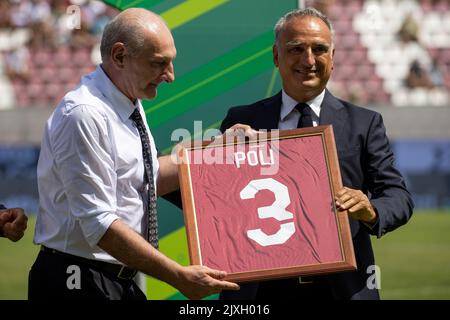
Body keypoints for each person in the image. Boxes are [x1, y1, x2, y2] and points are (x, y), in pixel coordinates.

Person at [28, 8, 240, 300]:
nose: (170, 76)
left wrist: (216, 149)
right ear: (119, 56)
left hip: (111, 280)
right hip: (78, 282)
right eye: (158, 63)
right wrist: (177, 275)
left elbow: (148, 180)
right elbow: (99, 224)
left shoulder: (126, 100)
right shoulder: (85, 114)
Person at [219, 8, 414, 300]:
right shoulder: (242, 121)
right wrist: (211, 156)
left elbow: (398, 196)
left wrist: (370, 210)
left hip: (342, 289)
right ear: (276, 56)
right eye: (296, 49)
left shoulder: (365, 123)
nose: (308, 60)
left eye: (319, 49)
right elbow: (214, 198)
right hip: (259, 289)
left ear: (333, 58)